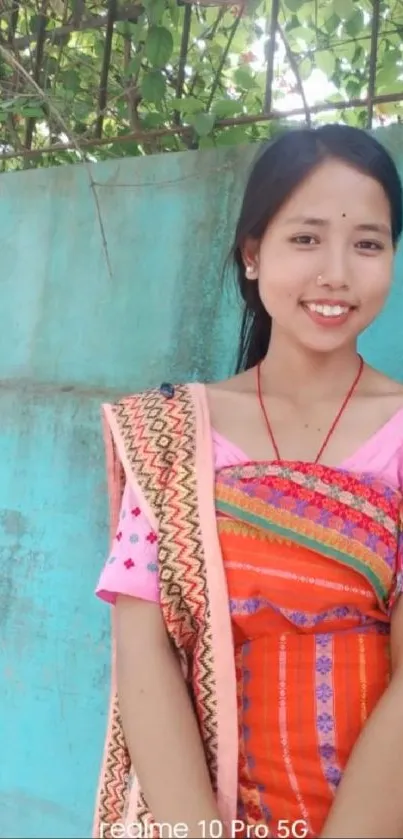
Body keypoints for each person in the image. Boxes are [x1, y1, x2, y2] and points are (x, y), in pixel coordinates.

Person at [93, 124, 403, 839]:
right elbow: (145, 656)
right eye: (305, 238)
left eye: (366, 242)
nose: (335, 272)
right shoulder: (169, 434)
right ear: (252, 253)